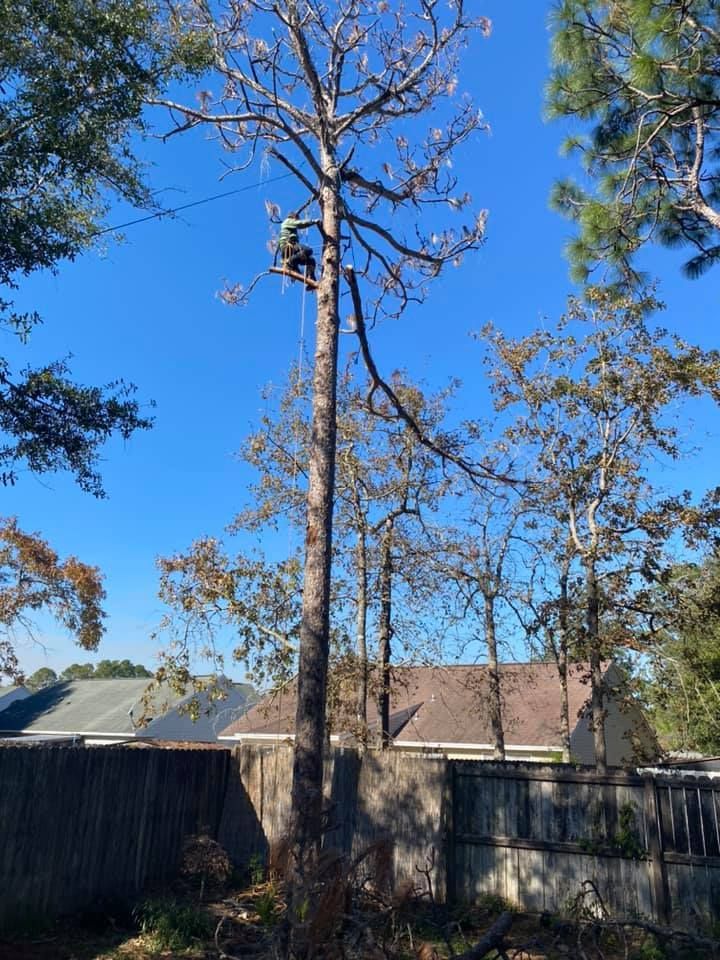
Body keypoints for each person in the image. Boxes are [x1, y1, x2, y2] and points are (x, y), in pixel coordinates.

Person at [278, 211, 319, 281]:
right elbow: (300, 224)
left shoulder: (289, 227)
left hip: (290, 251)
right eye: (297, 219)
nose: (297, 220)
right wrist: (313, 221)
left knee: (311, 260)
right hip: (288, 247)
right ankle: (290, 262)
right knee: (308, 250)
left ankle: (311, 278)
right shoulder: (288, 221)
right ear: (294, 217)